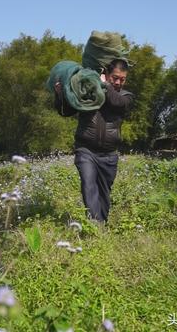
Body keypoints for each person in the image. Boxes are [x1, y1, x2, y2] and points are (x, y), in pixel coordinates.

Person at [55, 59, 134, 222]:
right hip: (86, 150)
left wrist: (105, 85)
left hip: (109, 155)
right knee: (88, 185)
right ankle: (94, 226)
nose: (118, 82)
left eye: (122, 79)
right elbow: (67, 110)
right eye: (115, 78)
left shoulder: (126, 97)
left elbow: (116, 102)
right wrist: (60, 95)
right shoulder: (89, 91)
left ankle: (101, 226)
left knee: (104, 193)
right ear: (106, 75)